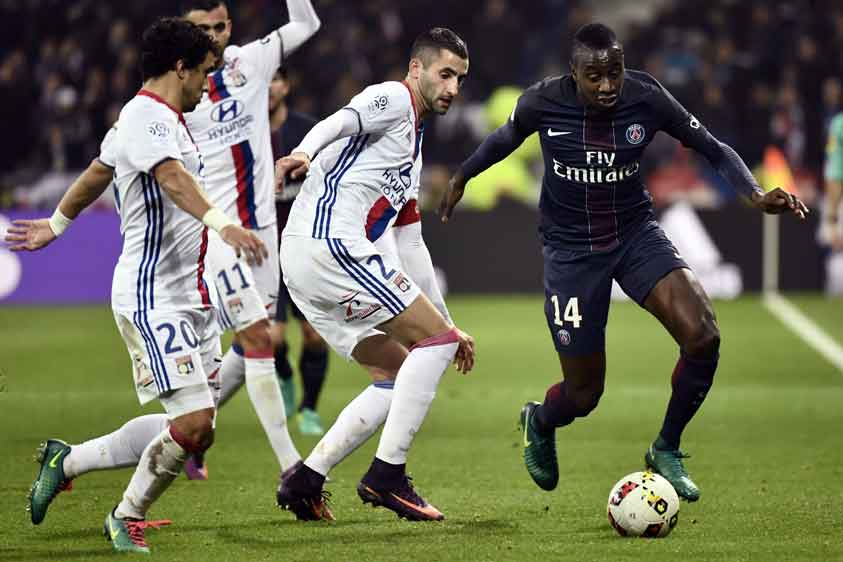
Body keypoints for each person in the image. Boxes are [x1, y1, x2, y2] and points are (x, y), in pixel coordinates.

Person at [439, 23, 809, 502]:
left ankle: (666, 447)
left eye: (614, 72)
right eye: (595, 76)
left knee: (703, 335)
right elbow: (505, 137)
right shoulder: (542, 101)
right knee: (584, 394)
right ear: (573, 74)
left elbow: (712, 148)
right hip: (570, 251)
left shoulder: (646, 96)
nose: (608, 85)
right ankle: (541, 419)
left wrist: (755, 193)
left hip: (635, 234)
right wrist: (463, 175)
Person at [8, 18, 266, 553]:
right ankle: (126, 515)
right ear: (180, 68)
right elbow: (172, 179)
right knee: (193, 426)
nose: (206, 85)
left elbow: (99, 172)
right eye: (203, 73)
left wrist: (56, 225)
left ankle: (69, 460)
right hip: (154, 298)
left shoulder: (158, 118)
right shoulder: (147, 116)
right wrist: (224, 225)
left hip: (191, 296)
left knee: (197, 422)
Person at [273, 27, 475, 522]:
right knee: (432, 346)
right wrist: (302, 151)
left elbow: (411, 243)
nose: (452, 87)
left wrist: (449, 325)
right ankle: (386, 475)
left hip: (309, 263)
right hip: (329, 245)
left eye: (460, 79)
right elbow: (337, 122)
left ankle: (305, 479)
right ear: (416, 69)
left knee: (396, 372)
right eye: (444, 74)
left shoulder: (413, 147)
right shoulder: (392, 98)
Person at [180, 0, 321, 480]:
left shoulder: (248, 61)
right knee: (261, 339)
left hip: (266, 236)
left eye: (221, 26)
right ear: (185, 31)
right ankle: (292, 470)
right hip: (222, 236)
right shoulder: (172, 91)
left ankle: (188, 432)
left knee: (246, 347)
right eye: (203, 29)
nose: (214, 36)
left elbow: (307, 23)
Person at [268, 68, 331, 436]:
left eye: (276, 80)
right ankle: (284, 372)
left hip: (305, 249)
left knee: (313, 336)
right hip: (265, 254)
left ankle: (309, 409)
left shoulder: (308, 133)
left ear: (286, 85)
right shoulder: (247, 137)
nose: (269, 89)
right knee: (274, 338)